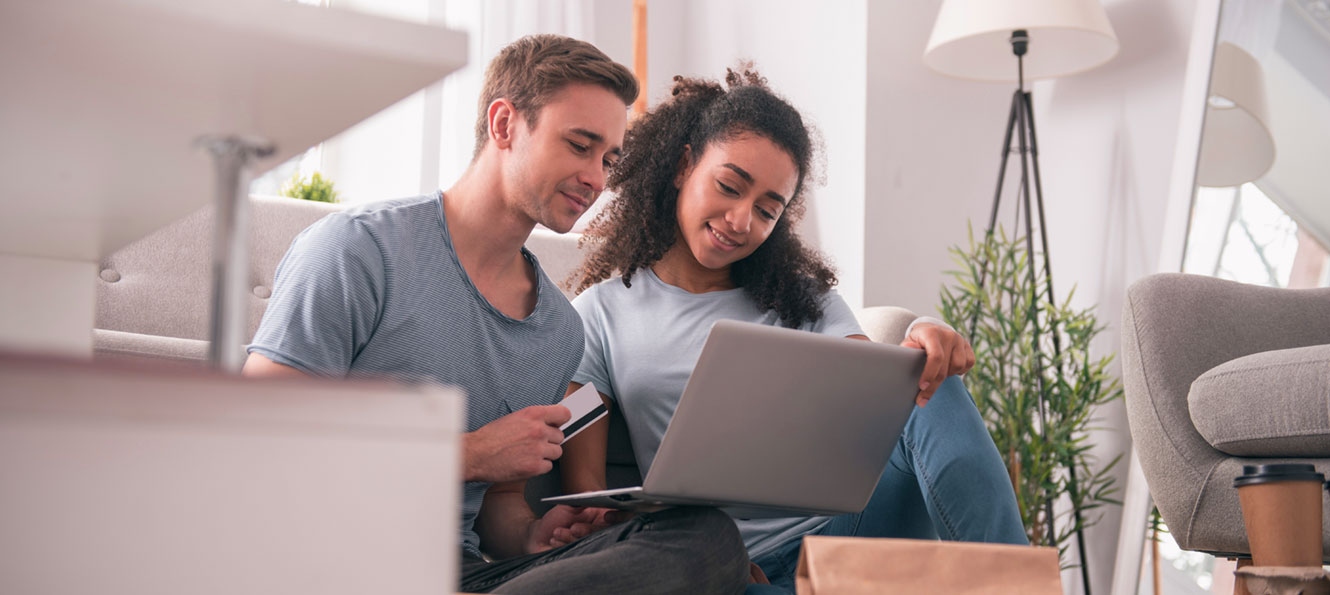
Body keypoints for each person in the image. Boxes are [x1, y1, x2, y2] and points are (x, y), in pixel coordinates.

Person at [242, 35, 751, 594]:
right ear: (505, 124)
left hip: (464, 574)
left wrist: (534, 535)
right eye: (580, 145)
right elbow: (260, 443)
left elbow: (498, 505)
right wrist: (470, 453)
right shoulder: (358, 250)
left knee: (704, 535)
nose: (598, 179)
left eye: (608, 159)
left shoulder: (559, 329)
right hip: (333, 563)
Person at [557, 68, 1029, 593]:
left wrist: (925, 331)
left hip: (847, 538)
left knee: (930, 392)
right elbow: (590, 496)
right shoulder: (597, 314)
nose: (741, 220)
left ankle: (1014, 587)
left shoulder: (803, 300)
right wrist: (691, 551)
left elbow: (889, 397)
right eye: (729, 187)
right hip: (725, 561)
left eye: (766, 210)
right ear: (684, 164)